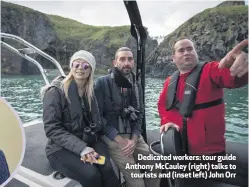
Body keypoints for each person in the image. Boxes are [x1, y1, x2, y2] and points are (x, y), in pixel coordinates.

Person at [157, 37, 248, 185]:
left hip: (209, 155)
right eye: (181, 50)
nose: (187, 52)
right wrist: (168, 122)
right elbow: (162, 106)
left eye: (190, 49)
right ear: (173, 58)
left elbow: (232, 77)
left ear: (195, 52)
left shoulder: (211, 70)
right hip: (180, 150)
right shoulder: (169, 82)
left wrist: (241, 68)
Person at [42, 50, 120, 187]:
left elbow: (96, 122)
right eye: (76, 64)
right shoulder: (55, 92)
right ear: (71, 66)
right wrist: (82, 149)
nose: (80, 69)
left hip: (87, 141)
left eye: (85, 66)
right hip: (59, 149)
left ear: (91, 70)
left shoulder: (90, 93)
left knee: (107, 168)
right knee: (91, 174)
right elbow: (52, 128)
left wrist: (115, 136)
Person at [94, 47, 161, 187]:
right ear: (114, 62)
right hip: (113, 137)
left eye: (130, 59)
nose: (126, 63)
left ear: (134, 62)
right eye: (122, 59)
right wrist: (120, 140)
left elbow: (140, 113)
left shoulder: (136, 84)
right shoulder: (102, 83)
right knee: (136, 182)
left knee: (155, 169)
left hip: (134, 136)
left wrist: (134, 139)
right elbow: (98, 117)